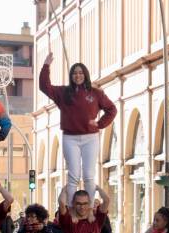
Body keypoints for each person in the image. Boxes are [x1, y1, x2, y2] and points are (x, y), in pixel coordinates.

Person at [40, 53, 117, 206]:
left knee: (89, 175)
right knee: (73, 175)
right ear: (71, 76)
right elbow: (44, 86)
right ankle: (70, 208)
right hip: (70, 138)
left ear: (85, 75)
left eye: (81, 73)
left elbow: (112, 109)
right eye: (75, 73)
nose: (78, 75)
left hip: (91, 138)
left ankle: (88, 209)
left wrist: (100, 124)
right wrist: (46, 66)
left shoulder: (96, 93)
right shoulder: (63, 93)